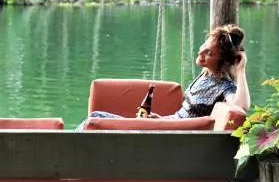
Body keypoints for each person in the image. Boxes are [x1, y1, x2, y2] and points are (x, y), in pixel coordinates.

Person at [83, 24, 250, 126]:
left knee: (96, 117)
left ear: (222, 63)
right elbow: (182, 116)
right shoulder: (206, 73)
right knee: (96, 118)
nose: (201, 52)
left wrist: (240, 70)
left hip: (170, 132)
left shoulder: (223, 85)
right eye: (204, 46)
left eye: (210, 54)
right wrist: (160, 119)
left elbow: (240, 107)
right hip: (165, 124)